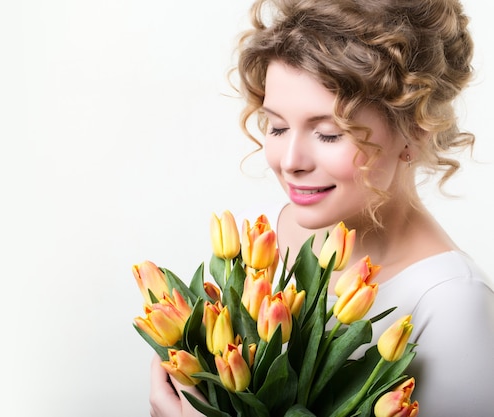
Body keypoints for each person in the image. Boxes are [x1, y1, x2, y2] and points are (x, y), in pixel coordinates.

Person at [149, 0, 494, 416]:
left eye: (329, 134)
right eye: (276, 126)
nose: (290, 161)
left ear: (415, 132)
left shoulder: (454, 305)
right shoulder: (266, 231)